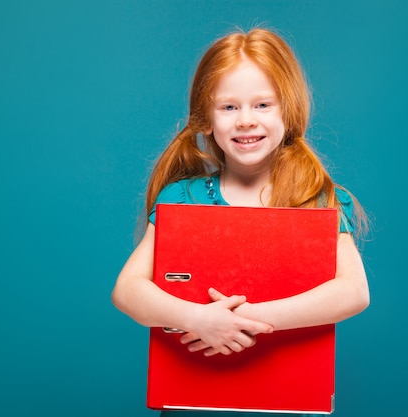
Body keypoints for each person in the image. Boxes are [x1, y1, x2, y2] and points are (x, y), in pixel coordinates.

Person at [111, 27, 370, 417]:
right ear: (206, 120)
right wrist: (196, 319)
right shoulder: (182, 198)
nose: (246, 120)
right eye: (229, 107)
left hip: (287, 404)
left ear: (289, 110)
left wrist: (244, 322)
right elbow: (127, 290)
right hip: (192, 403)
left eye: (263, 105)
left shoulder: (316, 198)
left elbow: (354, 292)